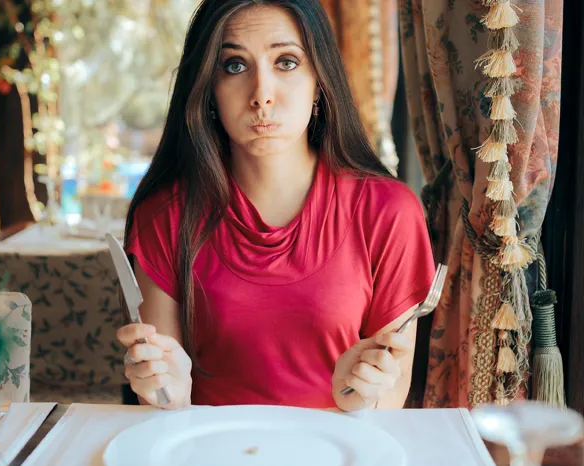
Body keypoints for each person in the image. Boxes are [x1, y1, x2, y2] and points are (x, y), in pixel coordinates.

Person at [117, 0, 435, 413]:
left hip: (343, 451)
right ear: (208, 88)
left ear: (320, 79)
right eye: (234, 66)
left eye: (286, 62)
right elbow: (160, 396)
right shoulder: (165, 216)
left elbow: (392, 390)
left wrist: (361, 397)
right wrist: (167, 392)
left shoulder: (389, 212)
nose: (261, 95)